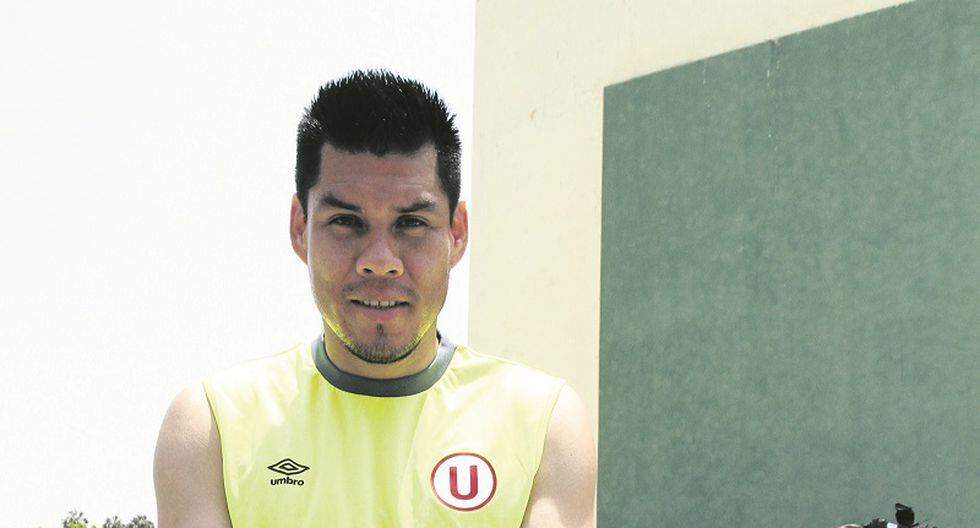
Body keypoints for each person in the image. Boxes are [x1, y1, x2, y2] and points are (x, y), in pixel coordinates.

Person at [153, 70, 597, 527]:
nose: (380, 261)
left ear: (457, 232)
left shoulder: (543, 425)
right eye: (347, 222)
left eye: (412, 223)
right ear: (300, 227)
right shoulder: (212, 427)